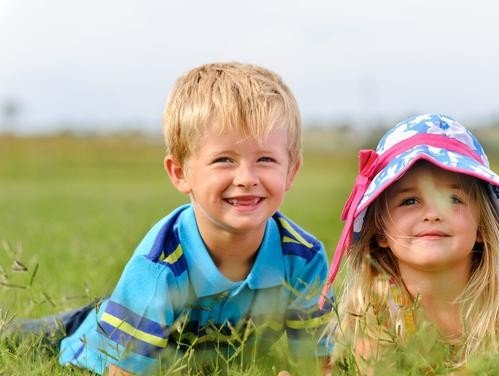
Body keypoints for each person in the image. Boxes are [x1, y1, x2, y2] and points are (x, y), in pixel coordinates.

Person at [16, 62, 333, 374]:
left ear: (291, 171)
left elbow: (315, 365)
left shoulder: (303, 259)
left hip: (149, 322)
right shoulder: (158, 268)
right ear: (181, 173)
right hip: (89, 345)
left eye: (265, 159)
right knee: (18, 338)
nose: (247, 177)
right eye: (224, 160)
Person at [321, 114, 499, 372]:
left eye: (454, 199)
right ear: (380, 232)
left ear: (482, 226)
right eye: (410, 201)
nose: (433, 213)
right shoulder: (376, 305)